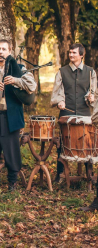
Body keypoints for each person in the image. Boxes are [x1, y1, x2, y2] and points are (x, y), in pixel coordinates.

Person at [0, 39, 36, 198]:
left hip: (12, 117)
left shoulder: (19, 68)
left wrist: (16, 80)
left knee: (12, 151)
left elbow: (32, 86)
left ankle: (13, 183)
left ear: (10, 51)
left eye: (4, 49)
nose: (0, 52)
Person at [50, 43, 96, 184]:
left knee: (88, 144)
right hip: (66, 113)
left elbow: (94, 91)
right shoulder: (62, 72)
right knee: (62, 144)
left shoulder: (90, 72)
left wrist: (91, 97)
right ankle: (60, 173)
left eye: (74, 53)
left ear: (81, 55)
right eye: (70, 52)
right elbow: (56, 92)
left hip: (85, 113)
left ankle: (90, 174)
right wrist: (59, 101)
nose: (71, 55)